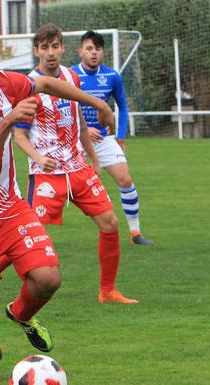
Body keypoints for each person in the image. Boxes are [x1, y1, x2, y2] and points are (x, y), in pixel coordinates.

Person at [0, 29, 114, 381]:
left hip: (8, 208)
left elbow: (45, 84)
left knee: (48, 278)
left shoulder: (4, 84)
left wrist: (98, 104)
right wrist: (9, 120)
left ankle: (20, 313)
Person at [2, 23, 138, 304]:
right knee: (28, 237)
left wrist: (94, 158)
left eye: (55, 46)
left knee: (110, 223)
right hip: (46, 175)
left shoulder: (72, 77)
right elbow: (20, 135)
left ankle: (108, 291)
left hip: (78, 168)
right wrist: (39, 158)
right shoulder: (29, 86)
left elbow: (80, 123)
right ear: (36, 51)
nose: (50, 53)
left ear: (63, 48)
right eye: (45, 47)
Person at [71, 30, 155, 246]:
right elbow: (63, 107)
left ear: (102, 52)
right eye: (89, 48)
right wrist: (83, 129)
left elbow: (123, 106)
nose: (93, 53)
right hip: (76, 140)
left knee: (125, 180)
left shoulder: (112, 76)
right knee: (65, 190)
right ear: (80, 51)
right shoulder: (69, 76)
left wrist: (121, 136)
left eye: (97, 49)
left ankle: (135, 234)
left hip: (104, 139)